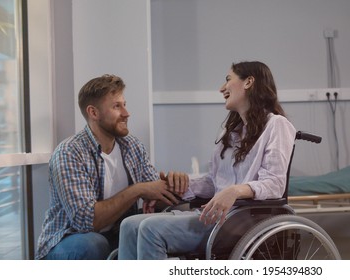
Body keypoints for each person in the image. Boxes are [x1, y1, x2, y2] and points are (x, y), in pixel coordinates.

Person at [117, 61, 296, 259]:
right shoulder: (231, 133)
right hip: (218, 217)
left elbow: (275, 184)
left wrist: (235, 191)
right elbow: (214, 182)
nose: (222, 88)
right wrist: (171, 189)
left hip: (243, 222)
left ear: (248, 82)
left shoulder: (277, 125)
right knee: (129, 225)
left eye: (228, 80)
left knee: (150, 229)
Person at [35, 74, 188, 260]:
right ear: (93, 113)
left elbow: (153, 193)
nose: (126, 113)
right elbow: (87, 222)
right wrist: (137, 190)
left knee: (145, 233)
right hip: (68, 240)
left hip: (114, 234)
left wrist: (174, 186)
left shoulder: (132, 146)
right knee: (93, 244)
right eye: (117, 106)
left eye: (125, 104)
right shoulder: (69, 152)